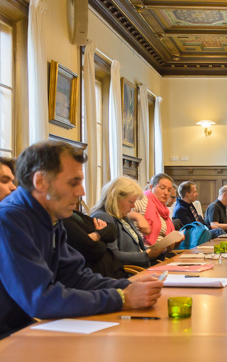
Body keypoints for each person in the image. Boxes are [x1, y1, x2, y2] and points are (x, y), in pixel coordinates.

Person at [0, 141, 163, 339]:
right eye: (73, 182)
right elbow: (40, 299)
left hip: (26, 331)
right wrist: (121, 299)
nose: (81, 192)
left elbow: (75, 277)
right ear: (40, 182)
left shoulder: (49, 216)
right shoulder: (9, 220)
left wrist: (127, 286)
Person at [92, 176, 168, 268]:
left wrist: (159, 251)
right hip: (129, 274)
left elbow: (138, 250)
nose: (133, 206)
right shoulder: (103, 217)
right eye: (131, 201)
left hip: (142, 269)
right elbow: (113, 255)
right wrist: (146, 255)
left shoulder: (123, 216)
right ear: (116, 198)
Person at [64, 209, 128, 279]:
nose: (79, 197)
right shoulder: (64, 221)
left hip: (113, 273)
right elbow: (93, 249)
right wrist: (104, 238)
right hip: (97, 277)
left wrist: (97, 235)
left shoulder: (75, 214)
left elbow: (112, 229)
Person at [132, 173, 176, 247]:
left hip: (161, 253)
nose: (166, 193)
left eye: (169, 190)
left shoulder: (163, 210)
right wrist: (137, 217)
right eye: (162, 188)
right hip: (144, 252)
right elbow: (122, 212)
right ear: (151, 187)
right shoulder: (143, 200)